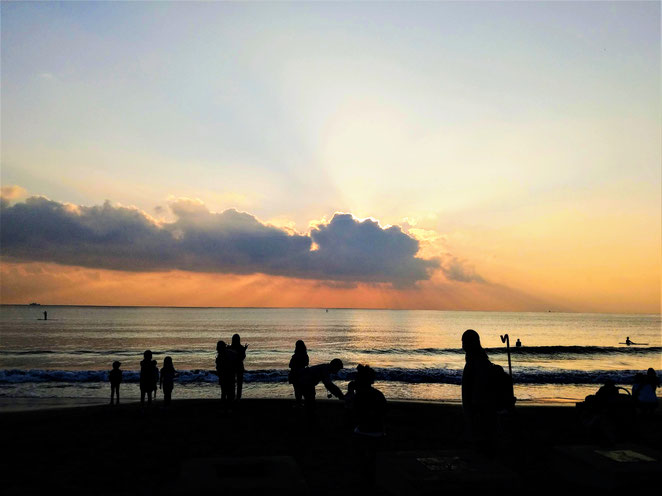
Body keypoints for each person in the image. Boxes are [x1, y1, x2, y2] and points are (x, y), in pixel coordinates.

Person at [351, 365, 387, 485]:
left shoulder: (358, 396)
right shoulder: (379, 394)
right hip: (378, 432)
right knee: (372, 457)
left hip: (363, 431)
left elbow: (353, 414)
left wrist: (350, 392)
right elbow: (383, 413)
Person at [461, 329, 496, 451]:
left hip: (476, 405)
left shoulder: (476, 361)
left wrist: (474, 405)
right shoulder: (478, 359)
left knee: (477, 431)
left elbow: (477, 385)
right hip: (475, 404)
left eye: (464, 341)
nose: (462, 345)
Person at [288, 340, 309, 406]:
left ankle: (298, 403)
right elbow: (306, 363)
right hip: (302, 374)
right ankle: (305, 404)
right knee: (304, 390)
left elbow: (290, 365)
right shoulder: (305, 355)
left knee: (297, 390)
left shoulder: (294, 356)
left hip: (294, 374)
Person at [229, 334, 248, 400]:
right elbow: (243, 357)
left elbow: (229, 358)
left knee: (232, 383)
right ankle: (238, 398)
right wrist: (244, 350)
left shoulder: (230, 347)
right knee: (239, 384)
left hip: (232, 367)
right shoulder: (241, 348)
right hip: (239, 367)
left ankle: (233, 397)